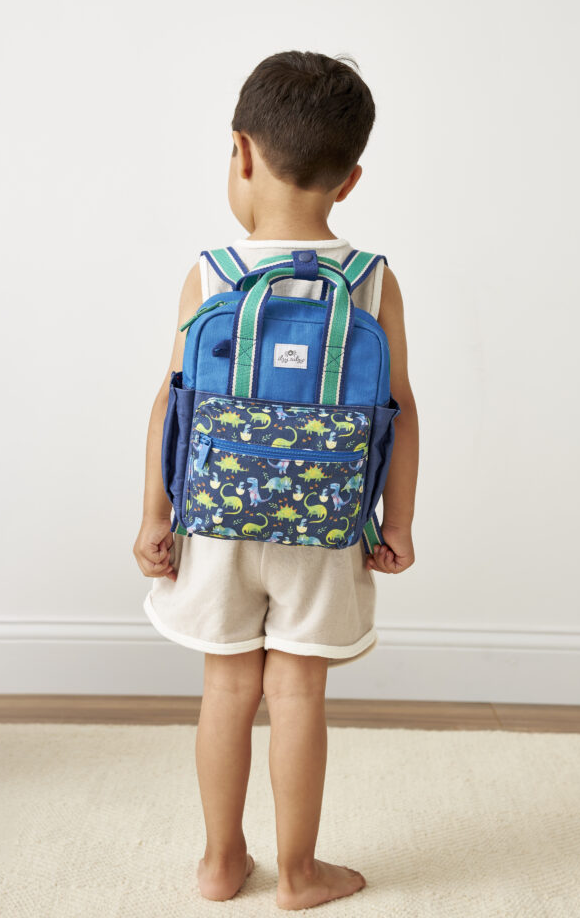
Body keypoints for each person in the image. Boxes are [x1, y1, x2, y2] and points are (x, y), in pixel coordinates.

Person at [133, 50, 419, 911]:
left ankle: (221, 863)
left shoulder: (212, 273)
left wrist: (156, 513)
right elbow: (400, 408)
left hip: (215, 522)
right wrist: (396, 522)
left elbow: (171, 403)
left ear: (241, 152)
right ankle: (299, 874)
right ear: (351, 179)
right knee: (296, 690)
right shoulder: (369, 280)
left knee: (228, 685)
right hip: (326, 526)